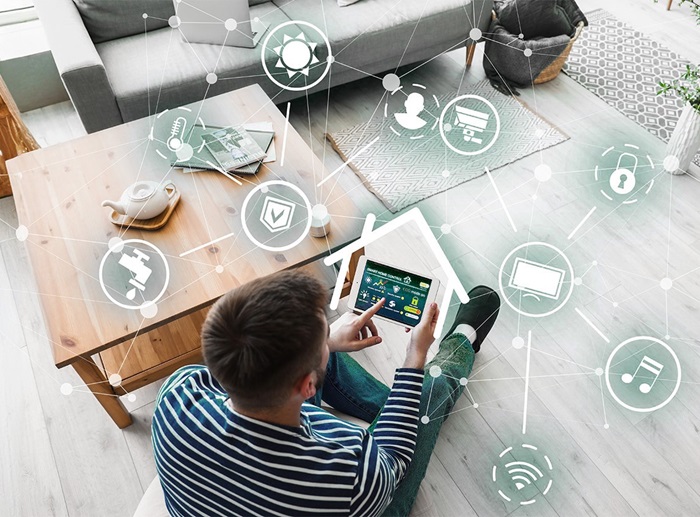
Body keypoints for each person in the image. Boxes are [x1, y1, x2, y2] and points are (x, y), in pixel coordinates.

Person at [152, 270, 500, 516]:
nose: (331, 333)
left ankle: (390, 407)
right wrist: (414, 357)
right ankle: (463, 339)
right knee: (427, 392)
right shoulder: (353, 471)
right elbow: (392, 461)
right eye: (327, 332)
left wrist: (328, 343)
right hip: (366, 498)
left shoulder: (176, 393)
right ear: (307, 388)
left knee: (311, 359)